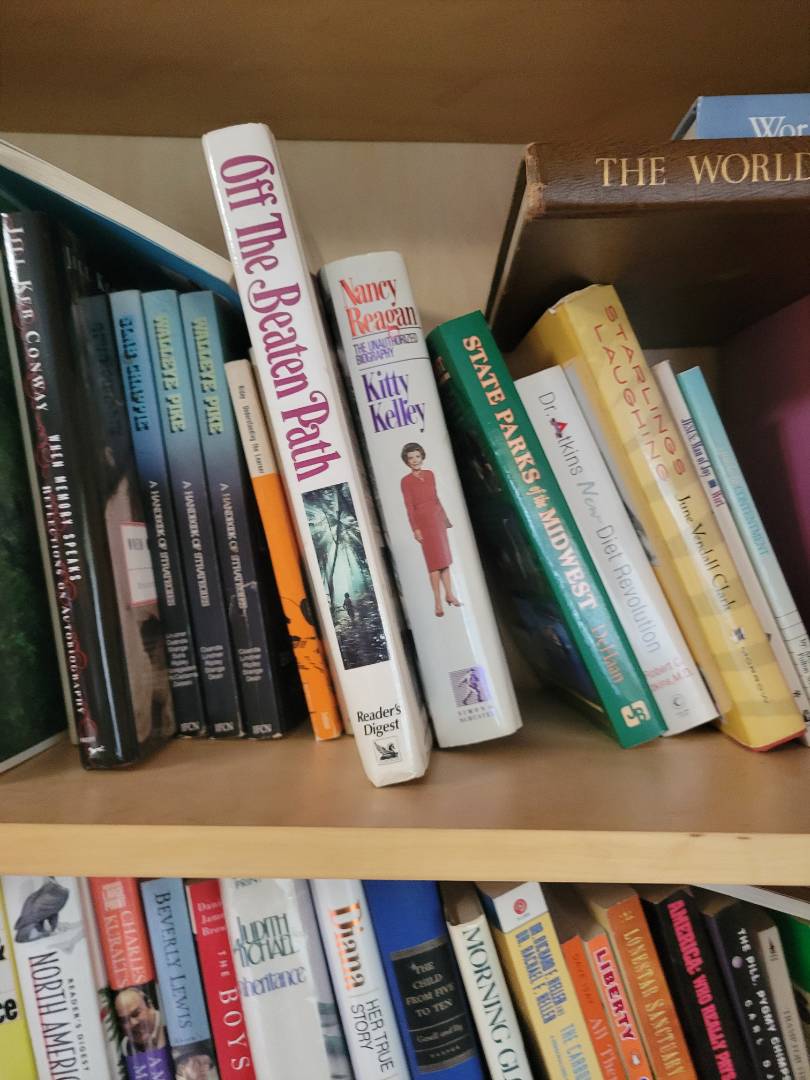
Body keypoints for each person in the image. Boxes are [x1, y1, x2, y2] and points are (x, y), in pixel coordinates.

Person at [400, 442, 461, 617]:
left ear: (422, 457)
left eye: (417, 456)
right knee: (434, 565)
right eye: (410, 458)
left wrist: (445, 519)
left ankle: (449, 594)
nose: (414, 460)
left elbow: (436, 498)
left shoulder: (430, 474)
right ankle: (437, 602)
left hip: (437, 520)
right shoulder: (406, 481)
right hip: (424, 523)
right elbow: (409, 507)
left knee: (445, 560)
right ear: (406, 461)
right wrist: (415, 529)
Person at [115, 986, 167, 1055]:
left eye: (136, 1014)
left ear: (149, 1006)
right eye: (125, 1020)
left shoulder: (171, 1026)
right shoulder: (126, 1045)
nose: (133, 1023)